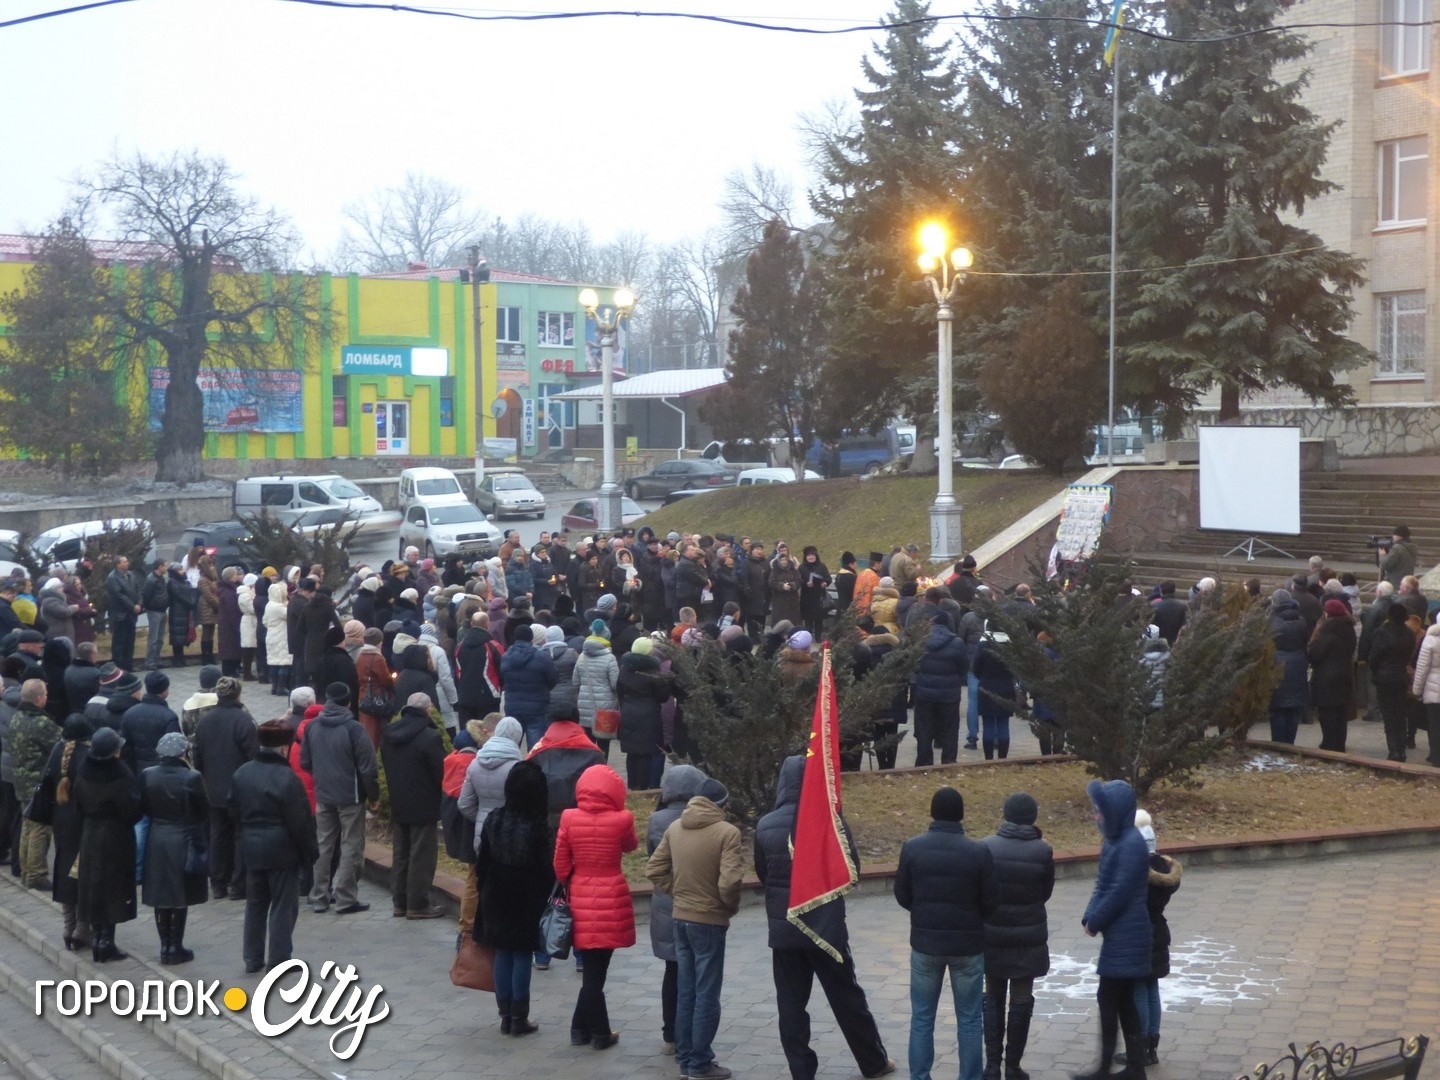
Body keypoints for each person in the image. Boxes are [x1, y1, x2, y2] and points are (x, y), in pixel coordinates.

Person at [755, 756, 895, 1080]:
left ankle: (802, 1071)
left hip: (786, 928)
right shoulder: (829, 821)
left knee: (791, 1005)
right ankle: (873, 1062)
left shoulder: (765, 826)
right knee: (848, 998)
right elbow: (851, 869)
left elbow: (764, 875)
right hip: (826, 928)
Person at [895, 786, 999, 1080]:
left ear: (933, 812)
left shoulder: (912, 848)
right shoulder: (978, 851)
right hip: (968, 946)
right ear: (961, 815)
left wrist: (922, 912)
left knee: (922, 1017)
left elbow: (902, 894)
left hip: (925, 945)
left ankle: (920, 1076)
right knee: (969, 1019)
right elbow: (992, 901)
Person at [645, 774, 743, 1080]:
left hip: (680, 919)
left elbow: (654, 869)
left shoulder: (675, 828)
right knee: (706, 994)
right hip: (709, 922)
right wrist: (726, 906)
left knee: (686, 991)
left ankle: (686, 1059)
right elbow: (730, 881)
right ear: (721, 804)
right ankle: (701, 1063)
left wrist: (679, 893)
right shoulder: (727, 833)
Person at [554, 763, 637, 1051]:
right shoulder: (622, 819)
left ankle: (579, 1029)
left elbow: (560, 865)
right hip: (611, 894)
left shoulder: (568, 817)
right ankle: (600, 1033)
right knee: (596, 970)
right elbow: (631, 846)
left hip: (580, 893)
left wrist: (574, 879)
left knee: (592, 967)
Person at [1072, 780, 1151, 1080]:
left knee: (1108, 998)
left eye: (1100, 811)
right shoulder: (1115, 841)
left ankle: (1107, 1069)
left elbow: (1119, 892)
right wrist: (1089, 916)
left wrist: (1096, 920)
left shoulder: (1130, 844)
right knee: (1123, 1001)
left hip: (1129, 936)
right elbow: (1102, 884)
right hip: (1121, 935)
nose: (1096, 815)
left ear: (1115, 811)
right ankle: (1134, 1068)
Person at [230, 719, 318, 974]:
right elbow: (300, 821)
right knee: (282, 905)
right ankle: (279, 959)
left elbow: (232, 809)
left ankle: (252, 958)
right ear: (283, 747)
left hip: (251, 847)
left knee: (255, 904)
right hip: (282, 850)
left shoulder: (242, 773)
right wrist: (309, 852)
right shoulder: (287, 778)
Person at [475, 759, 555, 1037]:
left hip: (495, 891)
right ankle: (520, 1016)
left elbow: (482, 861)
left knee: (502, 951)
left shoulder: (494, 818)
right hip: (526, 894)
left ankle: (505, 1014)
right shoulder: (539, 827)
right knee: (522, 953)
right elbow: (546, 869)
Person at [981, 793, 1054, 1080]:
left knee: (993, 995)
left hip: (993, 934)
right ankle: (1013, 1067)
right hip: (1028, 937)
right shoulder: (1042, 851)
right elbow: (1045, 892)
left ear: (1006, 814)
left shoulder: (986, 846)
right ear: (1033, 817)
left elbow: (982, 891)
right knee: (1022, 999)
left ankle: (991, 1066)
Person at [643, 764, 708, 1054]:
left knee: (672, 969)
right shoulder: (705, 818)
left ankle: (670, 1033)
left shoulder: (657, 819)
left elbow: (652, 856)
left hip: (666, 902)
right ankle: (693, 1030)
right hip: (698, 899)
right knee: (697, 970)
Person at [301, 682, 379, 914]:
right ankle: (345, 898)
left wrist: (322, 776)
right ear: (348, 702)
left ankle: (318, 896)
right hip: (350, 796)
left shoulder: (312, 726)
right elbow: (368, 768)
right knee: (351, 845)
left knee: (323, 845)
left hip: (324, 794)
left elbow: (305, 761)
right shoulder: (354, 729)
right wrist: (373, 795)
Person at [73, 726, 142, 962]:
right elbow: (132, 808)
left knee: (93, 886)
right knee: (113, 887)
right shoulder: (120, 773)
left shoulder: (84, 769)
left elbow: (78, 803)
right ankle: (106, 941)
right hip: (116, 836)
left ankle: (97, 938)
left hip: (90, 833)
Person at [139, 731, 208, 964]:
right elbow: (203, 810)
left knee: (161, 894)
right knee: (180, 893)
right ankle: (175, 945)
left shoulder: (147, 775)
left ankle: (165, 946)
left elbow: (144, 807)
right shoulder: (192, 776)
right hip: (183, 837)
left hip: (157, 837)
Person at [1122, 810, 1181, 1070]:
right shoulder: (1163, 868)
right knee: (1151, 988)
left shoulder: (1135, 871)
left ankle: (1140, 1049)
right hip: (1158, 932)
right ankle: (1152, 1047)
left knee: (1138, 989)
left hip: (1138, 934)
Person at [381, 692, 446, 919]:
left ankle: (400, 902)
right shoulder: (429, 736)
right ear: (428, 710)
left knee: (401, 853)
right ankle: (417, 904)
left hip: (399, 800)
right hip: (424, 803)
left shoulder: (390, 733)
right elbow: (440, 772)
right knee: (422, 855)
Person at [193, 675, 258, 900]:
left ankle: (218, 883)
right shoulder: (244, 720)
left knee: (217, 835)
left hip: (212, 789)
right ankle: (238, 886)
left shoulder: (205, 720)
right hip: (238, 789)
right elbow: (253, 757)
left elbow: (197, 757)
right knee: (240, 835)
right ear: (238, 694)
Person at [10, 679, 57, 890]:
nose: (47, 697)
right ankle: (37, 874)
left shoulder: (16, 717)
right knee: (40, 829)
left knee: (27, 827)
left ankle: (26, 871)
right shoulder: (42, 723)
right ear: (38, 699)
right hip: (39, 784)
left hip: (20, 780)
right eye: (45, 694)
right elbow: (61, 742)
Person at [913, 612, 970, 766]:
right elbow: (964, 667)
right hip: (949, 694)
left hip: (924, 693)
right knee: (950, 729)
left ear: (931, 623)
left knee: (924, 729)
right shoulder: (957, 642)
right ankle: (948, 761)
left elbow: (914, 665)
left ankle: (924, 763)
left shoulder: (921, 641)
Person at [617, 636, 671, 791]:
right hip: (649, 715)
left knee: (632, 753)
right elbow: (663, 696)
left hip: (628, 713)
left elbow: (619, 690)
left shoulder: (624, 669)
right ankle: (642, 788)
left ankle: (633, 786)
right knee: (645, 753)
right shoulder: (653, 672)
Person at [1370, 601, 1418, 762]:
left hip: (1384, 678)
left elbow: (1374, 657)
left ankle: (1394, 750)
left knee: (1389, 714)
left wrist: (1375, 671)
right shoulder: (1409, 633)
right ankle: (1401, 750)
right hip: (1401, 676)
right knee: (1400, 714)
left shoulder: (1382, 632)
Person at [1309, 599, 1358, 753]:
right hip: (1345, 675)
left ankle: (1329, 745)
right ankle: (1339, 745)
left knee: (1327, 713)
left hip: (1326, 678)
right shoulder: (1350, 630)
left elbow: (1314, 655)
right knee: (1341, 714)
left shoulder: (1326, 631)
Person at [501, 624, 558, 750]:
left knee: (511, 746)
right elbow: (553, 678)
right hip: (537, 708)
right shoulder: (542, 657)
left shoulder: (505, 657)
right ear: (531, 638)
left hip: (512, 707)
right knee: (536, 749)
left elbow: (503, 679)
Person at [1267, 590, 1309, 745]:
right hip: (1298, 667)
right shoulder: (1300, 620)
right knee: (1293, 709)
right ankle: (1290, 744)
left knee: (1278, 709)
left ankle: (1279, 746)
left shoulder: (1271, 621)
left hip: (1277, 666)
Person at [573, 620, 620, 757]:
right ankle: (602, 766)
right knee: (603, 745)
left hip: (584, 706)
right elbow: (615, 684)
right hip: (605, 708)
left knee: (588, 745)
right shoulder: (610, 658)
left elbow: (575, 682)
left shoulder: (581, 657)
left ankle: (589, 767)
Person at [1412, 622, 1440, 768]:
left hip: (1433, 691)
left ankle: (1436, 757)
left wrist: (1416, 690)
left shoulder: (1430, 640)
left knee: (1434, 725)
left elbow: (1422, 668)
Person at [106, 556, 141, 671]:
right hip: (120, 615)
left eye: (127, 561)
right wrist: (132, 607)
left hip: (131, 615)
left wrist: (139, 603)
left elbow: (138, 589)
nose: (127, 563)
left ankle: (128, 665)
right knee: (119, 642)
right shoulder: (112, 577)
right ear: (118, 564)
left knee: (130, 641)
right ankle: (118, 666)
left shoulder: (131, 575)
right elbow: (119, 595)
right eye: (124, 562)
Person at [263, 581, 292, 695]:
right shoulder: (279, 607)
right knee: (283, 662)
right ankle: (281, 687)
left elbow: (264, 621)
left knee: (274, 662)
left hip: (271, 635)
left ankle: (274, 687)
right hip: (281, 636)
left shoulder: (268, 605)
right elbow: (289, 614)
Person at [165, 565, 197, 668]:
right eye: (180, 570)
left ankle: (181, 657)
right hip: (177, 611)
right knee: (177, 636)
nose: (183, 571)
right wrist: (190, 602)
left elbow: (190, 593)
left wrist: (192, 601)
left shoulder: (185, 581)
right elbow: (179, 595)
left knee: (182, 635)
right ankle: (177, 658)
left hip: (185, 611)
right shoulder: (172, 582)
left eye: (182, 569)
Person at [141, 559, 170, 671]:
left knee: (160, 638)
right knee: (153, 638)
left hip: (162, 610)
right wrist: (149, 606)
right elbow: (146, 595)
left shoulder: (161, 578)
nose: (166, 568)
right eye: (165, 566)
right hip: (154, 611)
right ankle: (150, 661)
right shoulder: (151, 579)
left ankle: (157, 659)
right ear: (159, 567)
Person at [1380, 525, 1418, 590]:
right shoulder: (1412, 547)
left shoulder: (1397, 548)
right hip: (1406, 583)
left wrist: (1383, 555)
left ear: (1398, 536)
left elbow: (1386, 564)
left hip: (1394, 584)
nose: (1392, 537)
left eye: (1394, 535)